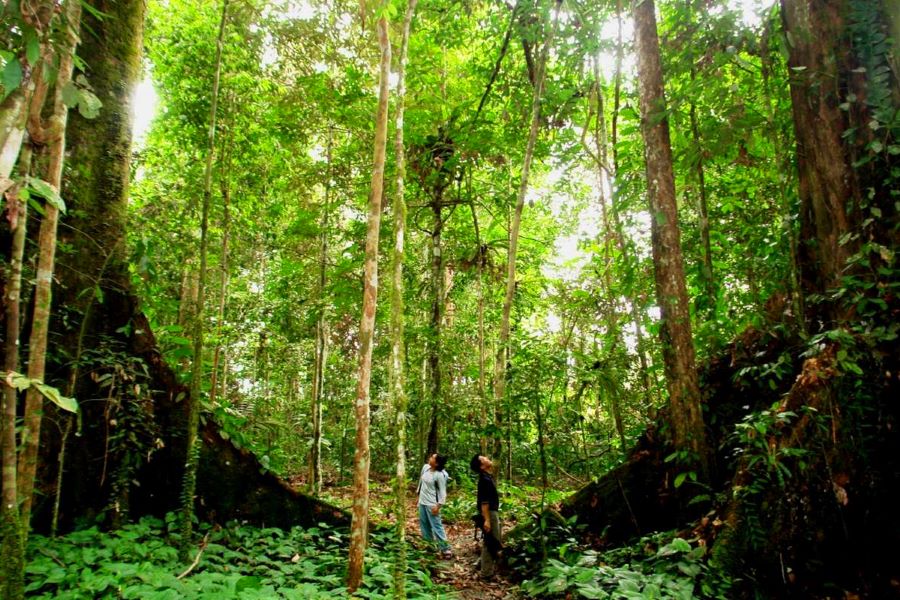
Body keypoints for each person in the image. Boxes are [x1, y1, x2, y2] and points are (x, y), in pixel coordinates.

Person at [470, 453, 501, 579]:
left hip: (491, 513)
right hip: (490, 514)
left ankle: (483, 565)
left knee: (489, 541)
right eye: (484, 459)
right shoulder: (485, 480)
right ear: (482, 466)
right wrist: (487, 520)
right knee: (491, 542)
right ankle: (486, 573)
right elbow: (484, 502)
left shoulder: (487, 477)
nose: (488, 458)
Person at [417, 453, 452, 558]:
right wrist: (418, 495)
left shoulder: (439, 475)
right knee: (424, 526)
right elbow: (421, 483)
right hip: (422, 502)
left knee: (436, 526)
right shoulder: (426, 468)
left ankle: (445, 549)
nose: (430, 458)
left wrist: (438, 506)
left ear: (436, 463)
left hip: (432, 504)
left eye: (432, 458)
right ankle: (430, 547)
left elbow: (443, 492)